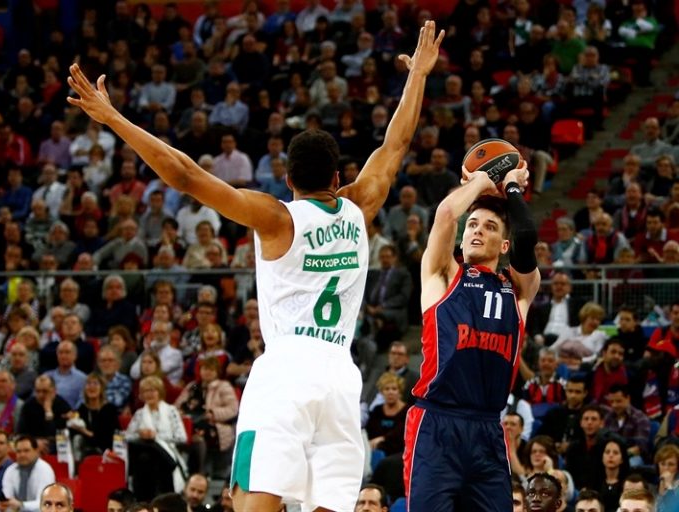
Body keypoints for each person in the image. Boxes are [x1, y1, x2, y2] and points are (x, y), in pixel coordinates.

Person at [68, 21, 444, 512]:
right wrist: (417, 75)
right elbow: (394, 147)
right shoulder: (360, 206)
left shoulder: (276, 218)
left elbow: (184, 173)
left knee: (254, 502)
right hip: (340, 376)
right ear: (337, 176)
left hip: (287, 370)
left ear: (287, 179)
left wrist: (113, 117)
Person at [403, 152, 539, 510]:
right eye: (474, 224)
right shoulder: (443, 275)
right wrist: (480, 181)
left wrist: (511, 186)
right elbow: (447, 214)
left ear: (504, 246)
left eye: (490, 227)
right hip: (436, 422)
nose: (478, 230)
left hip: (486, 428)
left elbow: (527, 235)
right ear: (462, 240)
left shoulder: (520, 290)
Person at [0, 435, 55, 512]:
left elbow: (44, 503)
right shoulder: (10, 470)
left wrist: (21, 505)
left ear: (36, 451)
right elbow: (8, 498)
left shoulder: (45, 470)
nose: (22, 455)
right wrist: (5, 505)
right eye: (19, 451)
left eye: (26, 451)